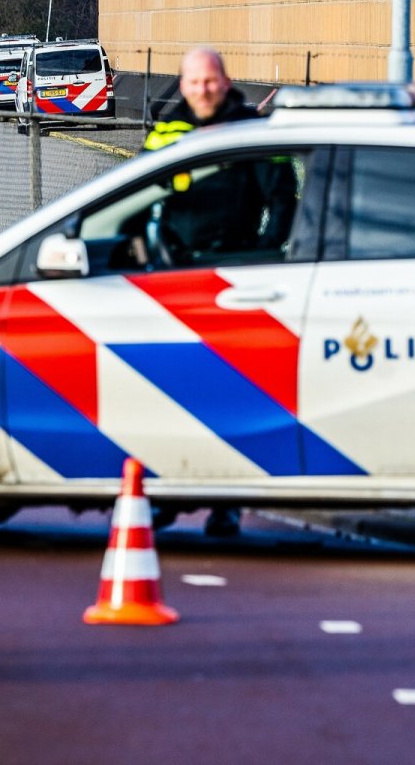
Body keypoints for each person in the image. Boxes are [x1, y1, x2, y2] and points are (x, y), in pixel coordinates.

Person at [143, 49, 265, 539]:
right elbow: (138, 194)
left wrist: (260, 260)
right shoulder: (167, 131)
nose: (203, 90)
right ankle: (170, 496)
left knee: (231, 400)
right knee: (173, 398)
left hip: (238, 280)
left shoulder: (251, 131)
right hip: (175, 280)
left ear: (225, 81)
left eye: (210, 81)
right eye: (194, 82)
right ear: (184, 84)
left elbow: (280, 199)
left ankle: (226, 504)